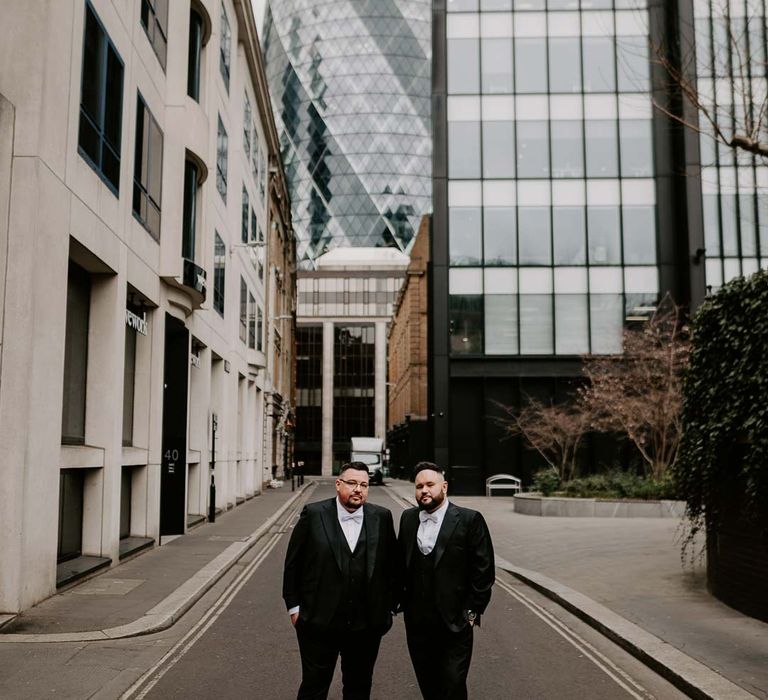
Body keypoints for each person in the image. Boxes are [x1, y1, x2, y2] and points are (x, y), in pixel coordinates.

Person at [282, 461, 398, 700]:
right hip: (318, 621)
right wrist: (295, 608)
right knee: (314, 686)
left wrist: (387, 610)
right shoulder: (314, 514)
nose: (358, 489)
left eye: (364, 485)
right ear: (338, 484)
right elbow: (293, 564)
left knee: (359, 687)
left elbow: (392, 566)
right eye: (352, 483)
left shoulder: (382, 517)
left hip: (366, 624)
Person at [398, 461, 495, 700]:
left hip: (455, 624)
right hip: (418, 624)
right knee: (428, 685)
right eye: (419, 486)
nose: (424, 490)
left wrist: (471, 615)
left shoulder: (470, 519)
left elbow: (484, 571)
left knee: (452, 684)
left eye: (430, 484)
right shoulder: (408, 519)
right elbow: (400, 566)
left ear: (444, 486)